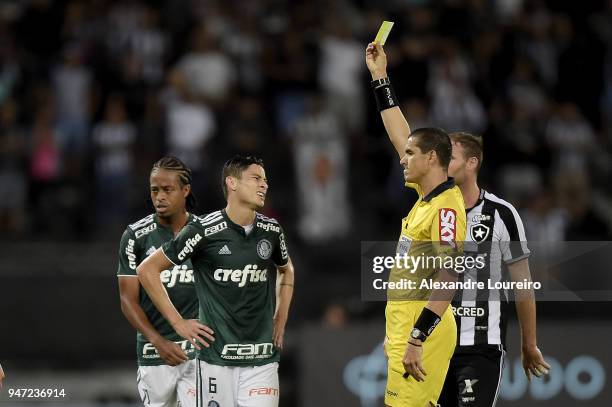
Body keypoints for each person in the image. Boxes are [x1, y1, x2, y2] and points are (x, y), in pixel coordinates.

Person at [137, 155, 294, 407]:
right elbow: (147, 270)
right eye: (256, 179)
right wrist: (178, 323)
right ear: (232, 183)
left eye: (265, 180)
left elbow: (286, 271)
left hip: (262, 359)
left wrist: (281, 317)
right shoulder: (203, 230)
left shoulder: (272, 231)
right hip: (214, 362)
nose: (264, 185)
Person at [365, 42, 467, 406]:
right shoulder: (427, 198)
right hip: (403, 324)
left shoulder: (446, 210)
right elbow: (398, 133)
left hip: (422, 331)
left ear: (433, 158)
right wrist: (380, 77)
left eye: (411, 154)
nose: (402, 158)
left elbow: (450, 275)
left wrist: (417, 338)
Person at [438, 132, 550, 406]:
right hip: (435, 346)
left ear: (471, 163)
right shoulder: (432, 211)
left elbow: (523, 285)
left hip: (480, 347)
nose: (442, 164)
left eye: (449, 158)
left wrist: (529, 343)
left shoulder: (503, 213)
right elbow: (416, 279)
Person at [117, 156, 207, 407]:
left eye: (167, 189)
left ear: (185, 190)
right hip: (155, 355)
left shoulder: (205, 233)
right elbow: (127, 300)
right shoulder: (135, 236)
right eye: (155, 190)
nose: (160, 197)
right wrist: (159, 342)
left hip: (199, 353)